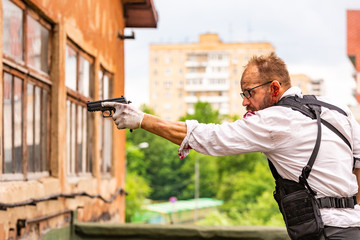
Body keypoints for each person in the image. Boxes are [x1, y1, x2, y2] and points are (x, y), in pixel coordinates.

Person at [103, 53, 360, 239]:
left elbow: (210, 137)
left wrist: (142, 119)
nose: (245, 103)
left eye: (249, 93)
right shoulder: (339, 111)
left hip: (325, 232)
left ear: (274, 88)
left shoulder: (273, 121)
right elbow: (358, 165)